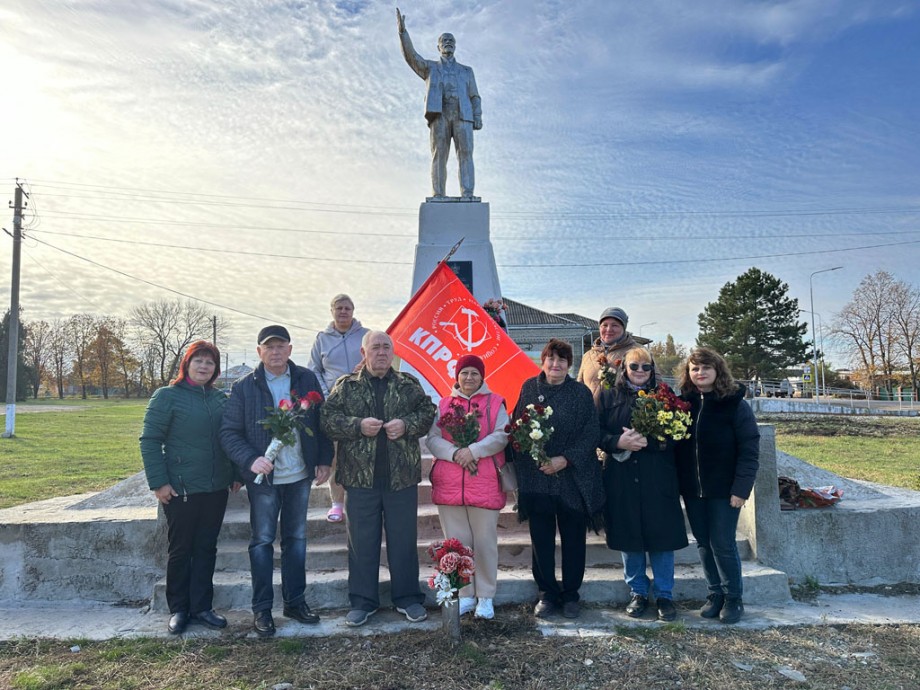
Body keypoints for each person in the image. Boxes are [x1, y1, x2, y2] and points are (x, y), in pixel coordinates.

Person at [220, 325, 333, 637]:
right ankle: (263, 608)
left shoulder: (306, 380)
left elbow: (322, 423)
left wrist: (324, 459)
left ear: (290, 349)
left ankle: (295, 602)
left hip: (298, 476)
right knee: (262, 542)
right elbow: (229, 433)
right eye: (269, 347)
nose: (275, 351)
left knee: (296, 541)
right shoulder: (245, 387)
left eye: (280, 346)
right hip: (264, 481)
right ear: (259, 352)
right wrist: (250, 460)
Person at [321, 331, 437, 627]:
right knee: (361, 543)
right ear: (364, 352)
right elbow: (327, 419)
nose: (382, 352)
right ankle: (362, 602)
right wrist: (357, 425)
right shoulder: (346, 387)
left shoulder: (407, 384)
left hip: (401, 479)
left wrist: (406, 424)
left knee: (403, 541)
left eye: (387, 347)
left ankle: (408, 598)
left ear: (393, 353)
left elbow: (427, 412)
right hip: (360, 480)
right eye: (376, 347)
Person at [140, 340, 240, 635]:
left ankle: (202, 607)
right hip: (180, 488)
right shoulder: (167, 397)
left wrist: (235, 473)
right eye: (199, 361)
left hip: (215, 488)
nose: (204, 367)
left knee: (206, 548)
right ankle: (179, 609)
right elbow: (149, 440)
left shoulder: (220, 399)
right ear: (187, 363)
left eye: (210, 363)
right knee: (181, 549)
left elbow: (229, 437)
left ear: (215, 370)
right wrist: (159, 482)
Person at [511, 338, 603, 619]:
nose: (555, 364)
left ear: (569, 364)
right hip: (537, 478)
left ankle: (571, 594)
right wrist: (538, 458)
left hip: (571, 480)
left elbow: (591, 432)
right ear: (543, 361)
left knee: (574, 540)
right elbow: (518, 427)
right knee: (542, 540)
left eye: (562, 360)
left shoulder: (580, 393)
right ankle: (547, 593)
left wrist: (564, 460)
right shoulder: (529, 388)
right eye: (551, 359)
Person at [596, 347, 688, 622]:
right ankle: (637, 591)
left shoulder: (665, 396)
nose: (639, 372)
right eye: (634, 366)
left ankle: (664, 595)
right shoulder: (608, 396)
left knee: (661, 538)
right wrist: (617, 442)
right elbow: (595, 432)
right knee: (630, 537)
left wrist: (654, 442)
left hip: (656, 475)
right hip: (622, 477)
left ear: (652, 370)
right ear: (624, 368)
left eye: (645, 367)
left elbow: (680, 434)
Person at [676, 347, 760, 624]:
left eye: (705, 368)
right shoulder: (684, 404)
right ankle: (715, 595)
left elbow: (749, 448)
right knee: (703, 543)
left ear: (717, 370)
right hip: (693, 489)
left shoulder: (734, 404)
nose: (700, 373)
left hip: (724, 489)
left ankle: (734, 597)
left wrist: (741, 489)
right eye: (694, 368)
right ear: (688, 373)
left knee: (722, 543)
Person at [426, 354, 510, 620]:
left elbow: (502, 434)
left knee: (485, 543)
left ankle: (485, 596)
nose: (469, 378)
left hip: (483, 482)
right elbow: (433, 438)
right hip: (450, 484)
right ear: (457, 376)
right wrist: (455, 453)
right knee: (457, 545)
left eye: (474, 373)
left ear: (482, 376)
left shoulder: (495, 402)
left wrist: (473, 451)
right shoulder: (444, 404)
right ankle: (464, 595)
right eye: (464, 373)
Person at [397, 8, 482, 198]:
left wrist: (477, 115)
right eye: (444, 41)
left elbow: (475, 96)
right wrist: (403, 34)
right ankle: (438, 193)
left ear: (455, 46)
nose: (448, 43)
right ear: (438, 47)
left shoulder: (467, 71)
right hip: (440, 114)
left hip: (463, 115)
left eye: (451, 41)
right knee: (439, 156)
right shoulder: (430, 68)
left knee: (466, 155)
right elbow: (412, 57)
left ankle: (467, 193)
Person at [308, 294, 370, 524]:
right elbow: (314, 369)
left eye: (347, 308)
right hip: (334, 406)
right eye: (339, 308)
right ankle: (337, 502)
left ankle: (361, 500)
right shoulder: (322, 339)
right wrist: (327, 395)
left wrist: (365, 369)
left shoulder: (366, 335)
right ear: (332, 311)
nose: (343, 312)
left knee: (363, 453)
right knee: (335, 455)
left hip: (363, 404)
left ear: (353, 311)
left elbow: (381, 359)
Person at [577, 307, 641, 399]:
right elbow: (579, 387)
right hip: (591, 412)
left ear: (623, 328)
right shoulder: (588, 355)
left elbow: (655, 385)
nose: (609, 329)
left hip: (624, 413)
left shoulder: (638, 351)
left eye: (615, 325)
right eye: (604, 325)